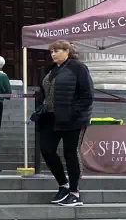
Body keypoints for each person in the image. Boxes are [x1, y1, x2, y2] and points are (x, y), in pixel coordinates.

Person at [32, 41, 94, 207]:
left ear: (67, 51)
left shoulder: (78, 67)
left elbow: (87, 95)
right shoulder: (49, 70)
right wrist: (40, 109)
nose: (53, 54)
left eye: (57, 51)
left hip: (72, 119)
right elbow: (43, 93)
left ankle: (74, 193)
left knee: (70, 153)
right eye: (51, 51)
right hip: (49, 118)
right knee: (46, 149)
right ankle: (63, 185)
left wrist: (74, 112)